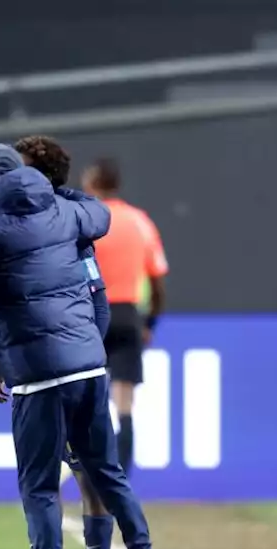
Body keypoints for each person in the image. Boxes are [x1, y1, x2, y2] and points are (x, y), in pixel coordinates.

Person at [0, 144, 174, 549]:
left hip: (39, 370)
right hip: (88, 363)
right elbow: (99, 217)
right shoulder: (68, 212)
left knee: (39, 484)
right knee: (107, 472)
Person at [3, 135, 114, 549]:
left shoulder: (68, 226)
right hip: (60, 361)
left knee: (77, 477)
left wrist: (85, 358)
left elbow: (98, 301)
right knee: (63, 478)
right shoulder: (46, 222)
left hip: (65, 368)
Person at [81, 158, 168, 479]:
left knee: (85, 399)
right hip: (128, 316)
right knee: (124, 404)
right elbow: (157, 281)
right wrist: (149, 324)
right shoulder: (139, 222)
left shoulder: (87, 219)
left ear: (94, 183)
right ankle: (121, 483)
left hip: (90, 315)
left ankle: (87, 475)